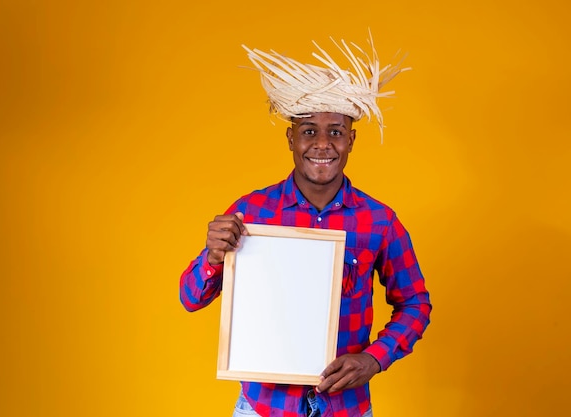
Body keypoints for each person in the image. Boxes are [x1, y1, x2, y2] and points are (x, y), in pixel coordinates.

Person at [179, 33, 431, 417]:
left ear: (351, 140)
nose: (323, 144)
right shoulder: (251, 212)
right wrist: (213, 256)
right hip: (263, 407)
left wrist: (374, 359)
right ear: (290, 138)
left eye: (336, 132)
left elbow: (415, 303)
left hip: (344, 407)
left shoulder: (379, 220)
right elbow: (190, 298)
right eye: (309, 130)